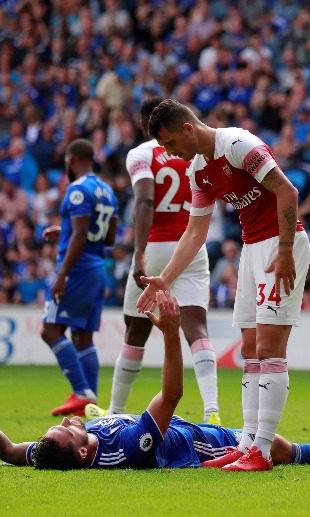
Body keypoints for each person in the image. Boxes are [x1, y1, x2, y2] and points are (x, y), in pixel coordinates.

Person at [0, 291, 310, 470]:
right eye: (69, 428)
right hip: (197, 443)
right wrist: (170, 332)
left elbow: (11, 453)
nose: (70, 422)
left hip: (155, 427)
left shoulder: (54, 451)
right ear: (80, 454)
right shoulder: (130, 449)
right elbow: (171, 393)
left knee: (266, 440)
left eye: (64, 423)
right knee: (272, 445)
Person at [136, 99, 310, 472]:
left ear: (188, 128)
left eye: (169, 144)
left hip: (280, 244)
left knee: (268, 347)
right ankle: (247, 442)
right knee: (250, 348)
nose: (170, 153)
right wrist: (164, 280)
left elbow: (288, 192)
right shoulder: (198, 171)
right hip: (251, 249)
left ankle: (262, 451)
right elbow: (195, 231)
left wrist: (284, 251)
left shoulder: (236, 144)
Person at [85, 98, 220, 425]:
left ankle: (114, 413)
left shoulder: (142, 153)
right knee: (196, 327)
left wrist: (139, 253)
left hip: (157, 244)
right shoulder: (193, 150)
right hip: (190, 244)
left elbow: (145, 200)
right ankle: (212, 410)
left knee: (136, 330)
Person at [41, 139, 119, 417]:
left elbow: (81, 233)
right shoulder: (108, 192)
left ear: (72, 159)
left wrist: (61, 274)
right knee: (83, 337)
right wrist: (63, 231)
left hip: (77, 269)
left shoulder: (77, 190)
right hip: (97, 267)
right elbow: (108, 238)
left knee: (49, 329)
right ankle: (89, 405)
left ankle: (82, 391)